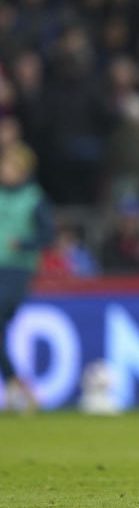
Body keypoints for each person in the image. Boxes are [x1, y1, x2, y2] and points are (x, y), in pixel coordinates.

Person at [0, 143, 52, 412]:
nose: (3, 170)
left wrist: (23, 244)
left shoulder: (33, 198)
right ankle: (18, 387)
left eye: (9, 166)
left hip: (16, 272)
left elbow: (48, 236)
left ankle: (16, 385)